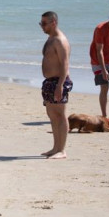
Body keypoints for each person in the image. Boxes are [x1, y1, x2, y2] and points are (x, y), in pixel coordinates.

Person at [40, 11, 72, 160]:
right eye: (41, 23)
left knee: (60, 115)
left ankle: (62, 150)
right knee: (52, 115)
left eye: (44, 23)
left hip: (58, 81)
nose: (42, 26)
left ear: (54, 23)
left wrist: (60, 85)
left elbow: (65, 63)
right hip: (49, 82)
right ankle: (55, 147)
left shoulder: (60, 40)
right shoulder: (50, 39)